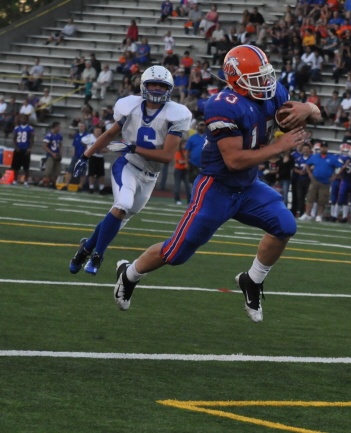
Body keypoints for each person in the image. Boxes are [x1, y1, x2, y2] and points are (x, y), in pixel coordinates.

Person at [110, 45, 320, 323]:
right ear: (235, 80)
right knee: (176, 253)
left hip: (248, 186)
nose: (265, 83)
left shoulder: (275, 92)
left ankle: (252, 280)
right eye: (256, 79)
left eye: (265, 76)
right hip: (216, 188)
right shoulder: (222, 105)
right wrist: (279, 146)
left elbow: (316, 116)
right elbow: (234, 160)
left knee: (285, 226)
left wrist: (308, 107)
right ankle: (130, 272)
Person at [68, 65, 193, 276]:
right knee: (122, 205)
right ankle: (97, 255)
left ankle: (86, 248)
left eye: (161, 86)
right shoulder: (130, 107)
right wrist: (85, 156)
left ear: (169, 89)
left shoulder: (177, 114)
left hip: (150, 176)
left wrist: (133, 147)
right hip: (128, 165)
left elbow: (167, 157)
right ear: (143, 85)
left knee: (119, 216)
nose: (155, 89)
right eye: (152, 84)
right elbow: (109, 135)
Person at [10, 114, 34, 186]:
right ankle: (15, 180)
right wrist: (16, 147)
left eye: (24, 118)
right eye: (22, 118)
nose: (23, 120)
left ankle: (26, 181)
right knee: (15, 166)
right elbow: (14, 138)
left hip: (25, 149)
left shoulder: (30, 128)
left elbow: (32, 139)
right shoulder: (17, 128)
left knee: (26, 167)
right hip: (18, 149)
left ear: (27, 120)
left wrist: (29, 148)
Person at [40, 121, 63, 188]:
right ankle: (44, 183)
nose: (59, 128)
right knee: (48, 171)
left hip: (57, 156)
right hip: (50, 155)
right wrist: (52, 153)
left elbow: (60, 145)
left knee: (57, 171)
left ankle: (53, 184)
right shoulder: (49, 135)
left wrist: (60, 154)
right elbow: (44, 146)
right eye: (59, 127)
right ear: (55, 127)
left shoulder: (59, 136)